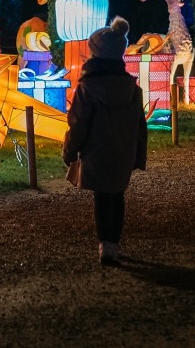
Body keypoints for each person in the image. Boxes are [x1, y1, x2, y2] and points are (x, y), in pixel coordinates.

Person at [62, 16, 148, 266]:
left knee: (101, 197)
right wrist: (138, 155)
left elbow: (77, 123)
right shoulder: (131, 88)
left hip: (96, 153)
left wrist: (70, 150)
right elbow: (139, 126)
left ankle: (105, 246)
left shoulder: (87, 88)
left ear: (96, 54)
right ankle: (113, 242)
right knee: (117, 195)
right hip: (123, 152)